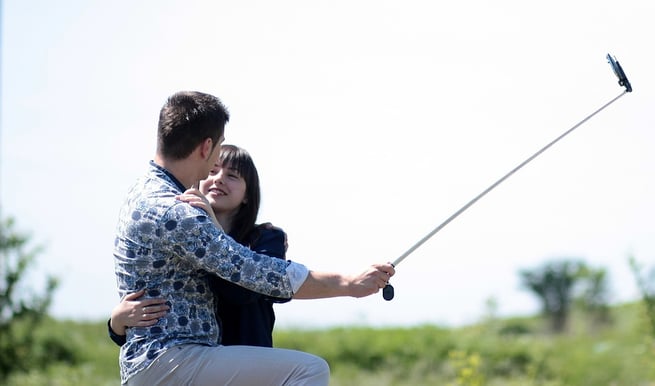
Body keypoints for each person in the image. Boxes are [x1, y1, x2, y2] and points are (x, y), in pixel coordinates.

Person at [113, 90, 395, 386]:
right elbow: (254, 273)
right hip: (174, 361)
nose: (215, 172)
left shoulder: (141, 193)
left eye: (232, 175)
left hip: (159, 361)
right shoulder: (178, 212)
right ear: (206, 146)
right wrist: (348, 283)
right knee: (310, 370)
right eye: (218, 151)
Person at [109, 144, 290, 348]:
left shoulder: (267, 238)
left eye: (232, 175)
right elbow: (156, 317)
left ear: (248, 194)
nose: (219, 178)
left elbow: (242, 292)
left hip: (249, 365)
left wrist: (213, 229)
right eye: (212, 170)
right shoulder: (179, 235)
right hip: (188, 362)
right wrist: (117, 322)